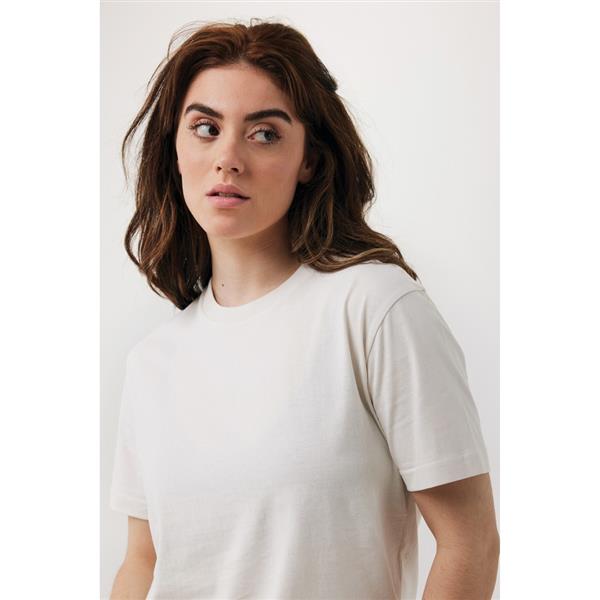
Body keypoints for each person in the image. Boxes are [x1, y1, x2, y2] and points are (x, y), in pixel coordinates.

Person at [109, 18, 499, 600]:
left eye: (264, 133)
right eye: (206, 128)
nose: (228, 158)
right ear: (175, 149)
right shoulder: (151, 363)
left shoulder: (373, 309)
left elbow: (470, 542)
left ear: (309, 159)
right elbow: (143, 563)